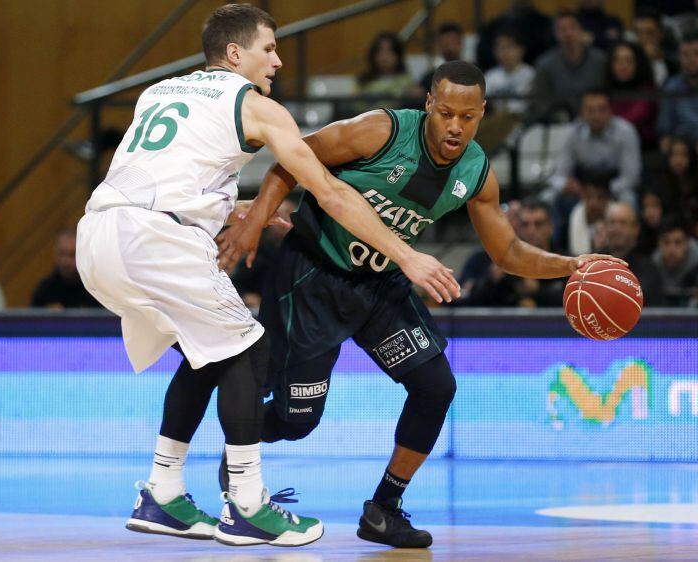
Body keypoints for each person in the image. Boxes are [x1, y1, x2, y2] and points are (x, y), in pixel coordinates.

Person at [75, 3, 458, 548]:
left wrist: (233, 209)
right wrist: (407, 255)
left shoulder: (159, 92)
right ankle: (249, 506)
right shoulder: (255, 106)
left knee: (207, 353)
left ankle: (162, 490)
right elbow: (329, 191)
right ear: (235, 54)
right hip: (153, 241)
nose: (277, 60)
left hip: (99, 234)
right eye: (268, 48)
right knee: (249, 351)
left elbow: (164, 174)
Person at [217, 61, 621, 548]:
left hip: (381, 285)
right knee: (297, 422)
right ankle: (243, 449)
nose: (455, 126)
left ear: (482, 114)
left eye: (467, 117)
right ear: (429, 103)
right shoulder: (380, 131)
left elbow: (508, 253)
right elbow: (291, 158)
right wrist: (257, 218)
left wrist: (570, 265)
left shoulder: (476, 172)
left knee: (436, 387)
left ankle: (383, 509)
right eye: (446, 112)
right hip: (314, 276)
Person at [544, 89, 641, 212]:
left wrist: (601, 192)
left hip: (613, 188)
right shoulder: (573, 133)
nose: (596, 115)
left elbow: (631, 177)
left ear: (611, 110)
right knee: (548, 197)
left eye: (602, 109)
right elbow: (559, 175)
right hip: (581, 189)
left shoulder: (626, 132)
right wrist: (565, 185)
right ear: (582, 112)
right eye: (590, 110)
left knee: (629, 198)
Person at [528, 11, 607, 123]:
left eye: (572, 27)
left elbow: (609, 95)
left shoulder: (600, 60)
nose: (568, 33)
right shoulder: (545, 64)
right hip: (559, 123)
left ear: (581, 30)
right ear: (555, 34)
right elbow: (540, 101)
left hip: (596, 121)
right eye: (562, 30)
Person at [600, 202, 665, 305]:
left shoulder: (648, 269)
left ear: (636, 228)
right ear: (605, 227)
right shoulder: (594, 262)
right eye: (612, 222)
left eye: (623, 223)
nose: (616, 229)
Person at [657, 33, 698, 159]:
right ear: (679, 57)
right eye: (685, 55)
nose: (691, 59)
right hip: (680, 146)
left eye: (697, 53)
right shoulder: (671, 87)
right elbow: (665, 128)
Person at [30, 228, 102, 309]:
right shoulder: (45, 289)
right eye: (61, 254)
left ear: (81, 255)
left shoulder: (95, 290)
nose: (66, 261)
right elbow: (32, 319)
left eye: (71, 255)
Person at [607, 41, 659, 149]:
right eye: (618, 60)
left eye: (629, 60)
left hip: (642, 145)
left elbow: (634, 119)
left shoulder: (647, 90)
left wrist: (604, 124)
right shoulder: (606, 89)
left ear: (638, 63)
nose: (623, 65)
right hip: (609, 144)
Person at [652, 215, 698, 306]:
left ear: (687, 243)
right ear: (659, 243)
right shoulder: (654, 264)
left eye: (678, 242)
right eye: (666, 242)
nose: (671, 250)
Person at [567, 173, 612, 256]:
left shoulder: (616, 216)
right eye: (589, 196)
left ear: (607, 198)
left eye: (600, 197)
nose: (594, 203)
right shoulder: (575, 215)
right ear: (582, 196)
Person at [420, 22, 464, 93]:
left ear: (461, 43)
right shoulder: (431, 76)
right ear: (439, 46)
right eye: (446, 44)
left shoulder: (474, 72)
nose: (450, 48)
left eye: (453, 42)